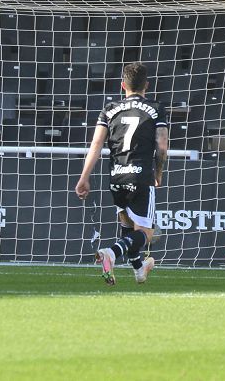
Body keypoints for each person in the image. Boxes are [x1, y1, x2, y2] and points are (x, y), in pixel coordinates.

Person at [75, 62, 168, 286]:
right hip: (141, 176)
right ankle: (112, 253)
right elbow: (162, 144)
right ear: (147, 85)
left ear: (122, 85)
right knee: (144, 233)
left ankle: (139, 269)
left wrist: (84, 176)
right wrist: (158, 171)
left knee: (127, 228)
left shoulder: (109, 109)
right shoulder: (155, 108)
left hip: (117, 177)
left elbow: (96, 144)